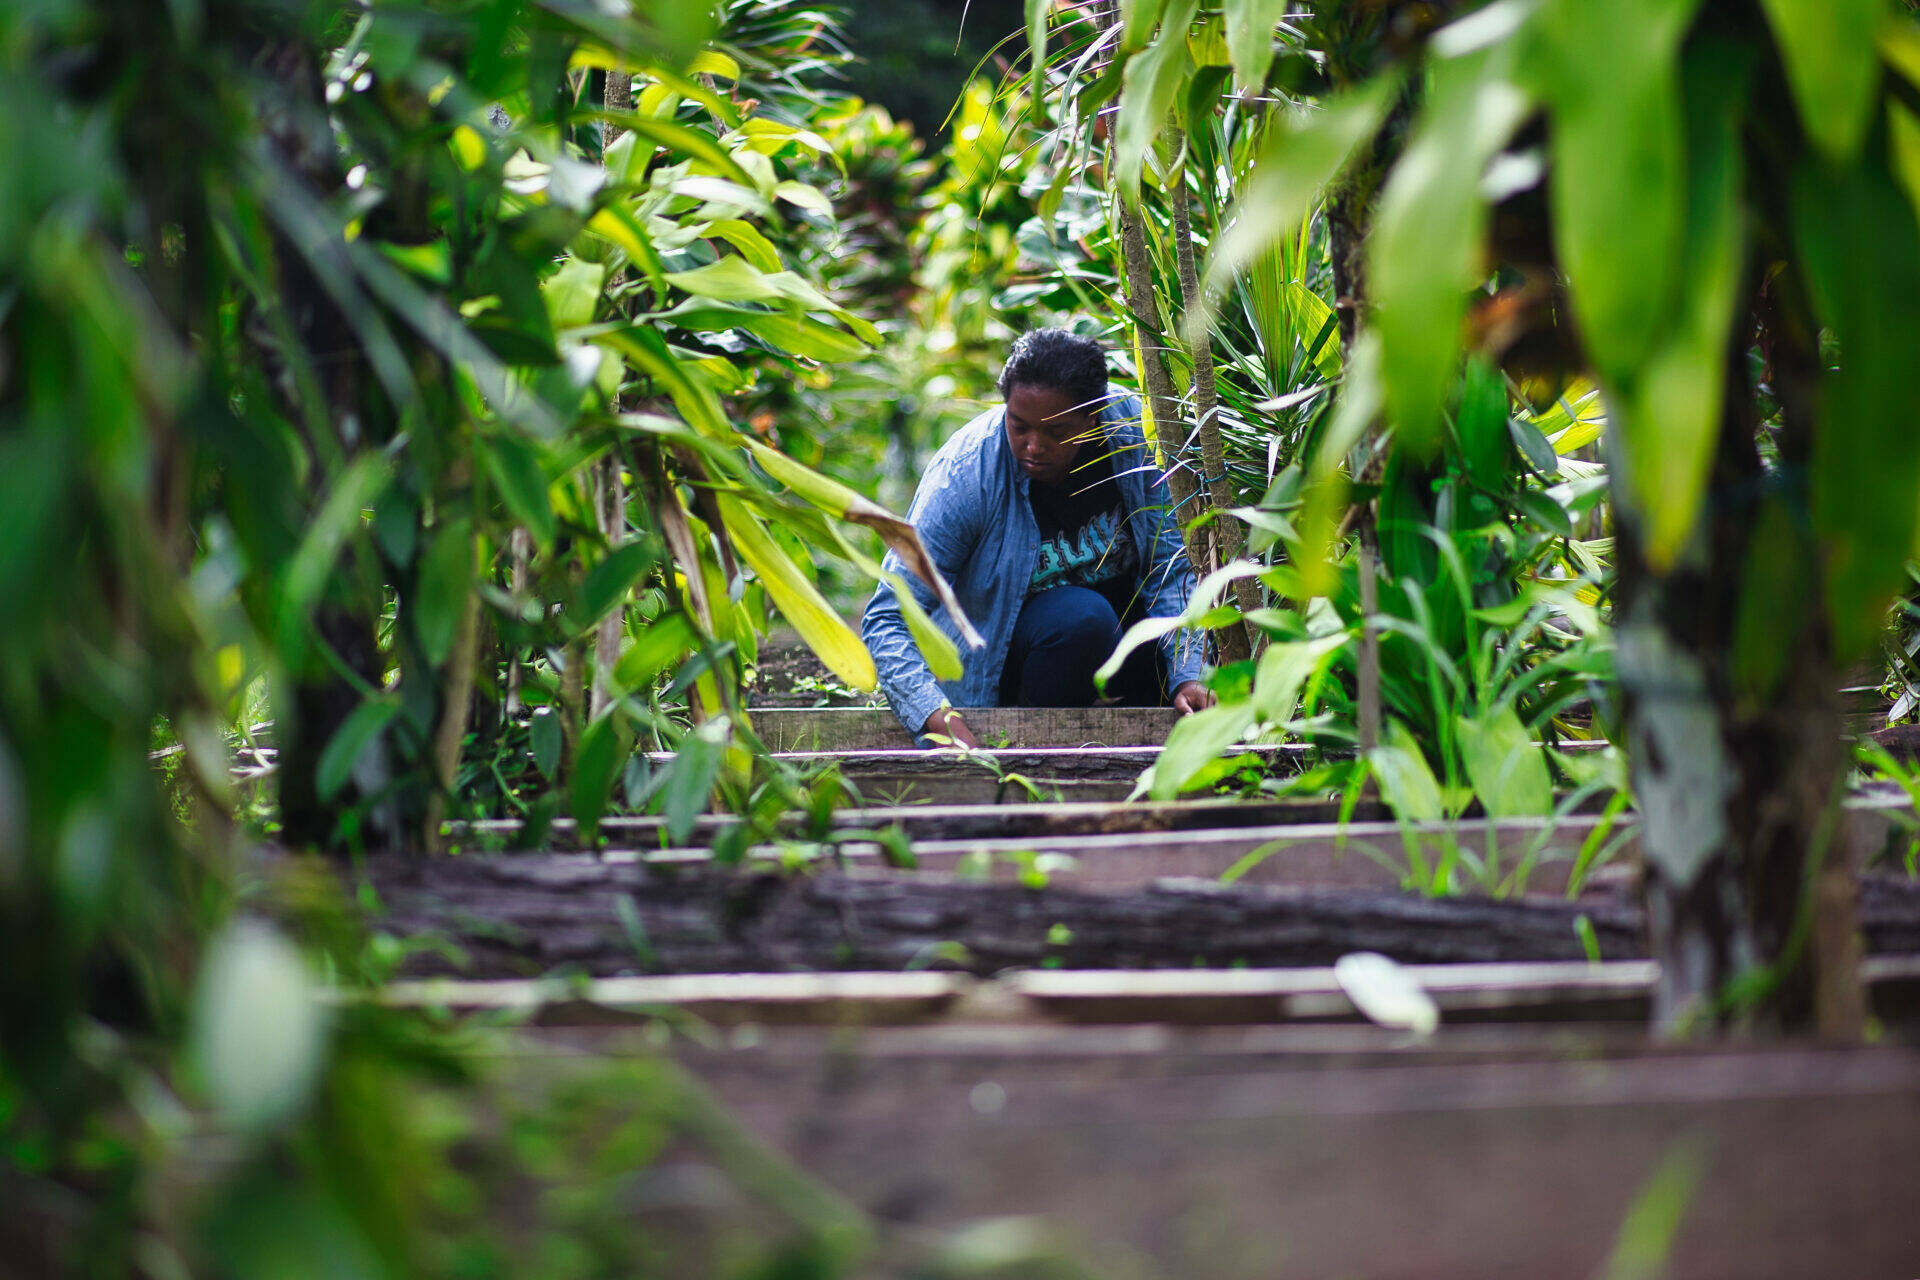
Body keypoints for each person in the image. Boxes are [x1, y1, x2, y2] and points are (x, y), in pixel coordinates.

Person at [861, 327, 1215, 748]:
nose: (1033, 447)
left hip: (1119, 647)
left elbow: (1171, 569)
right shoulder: (965, 473)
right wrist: (936, 719)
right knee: (1083, 620)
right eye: (1019, 426)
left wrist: (1189, 675)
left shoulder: (1139, 437)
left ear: (1092, 418)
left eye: (1056, 432)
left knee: (1121, 625)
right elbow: (889, 616)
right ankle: (1039, 737)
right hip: (1013, 657)